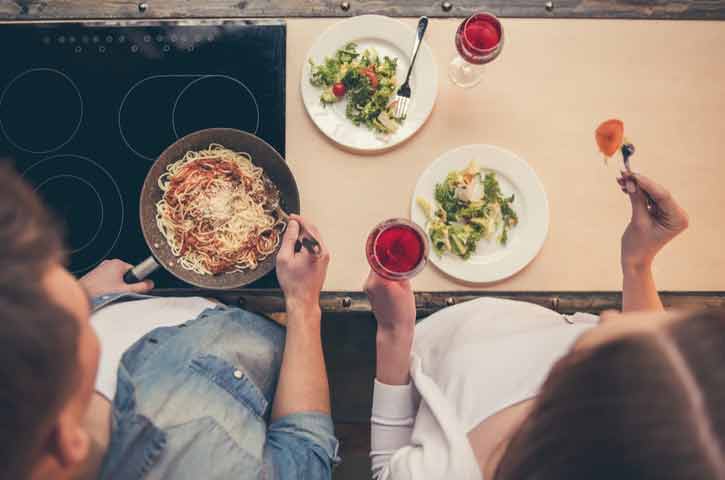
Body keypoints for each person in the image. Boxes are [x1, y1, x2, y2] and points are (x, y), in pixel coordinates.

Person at [366, 171, 725, 479]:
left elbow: (386, 469)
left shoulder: (444, 471)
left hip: (418, 359)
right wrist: (638, 263)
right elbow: (652, 351)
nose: (612, 315)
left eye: (604, 336)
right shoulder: (653, 411)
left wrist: (394, 334)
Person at [0, 164, 338, 480]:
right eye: (62, 315)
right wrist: (303, 306)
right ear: (66, 441)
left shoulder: (29, 374)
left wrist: (88, 295)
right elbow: (306, 450)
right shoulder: (212, 464)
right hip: (279, 334)